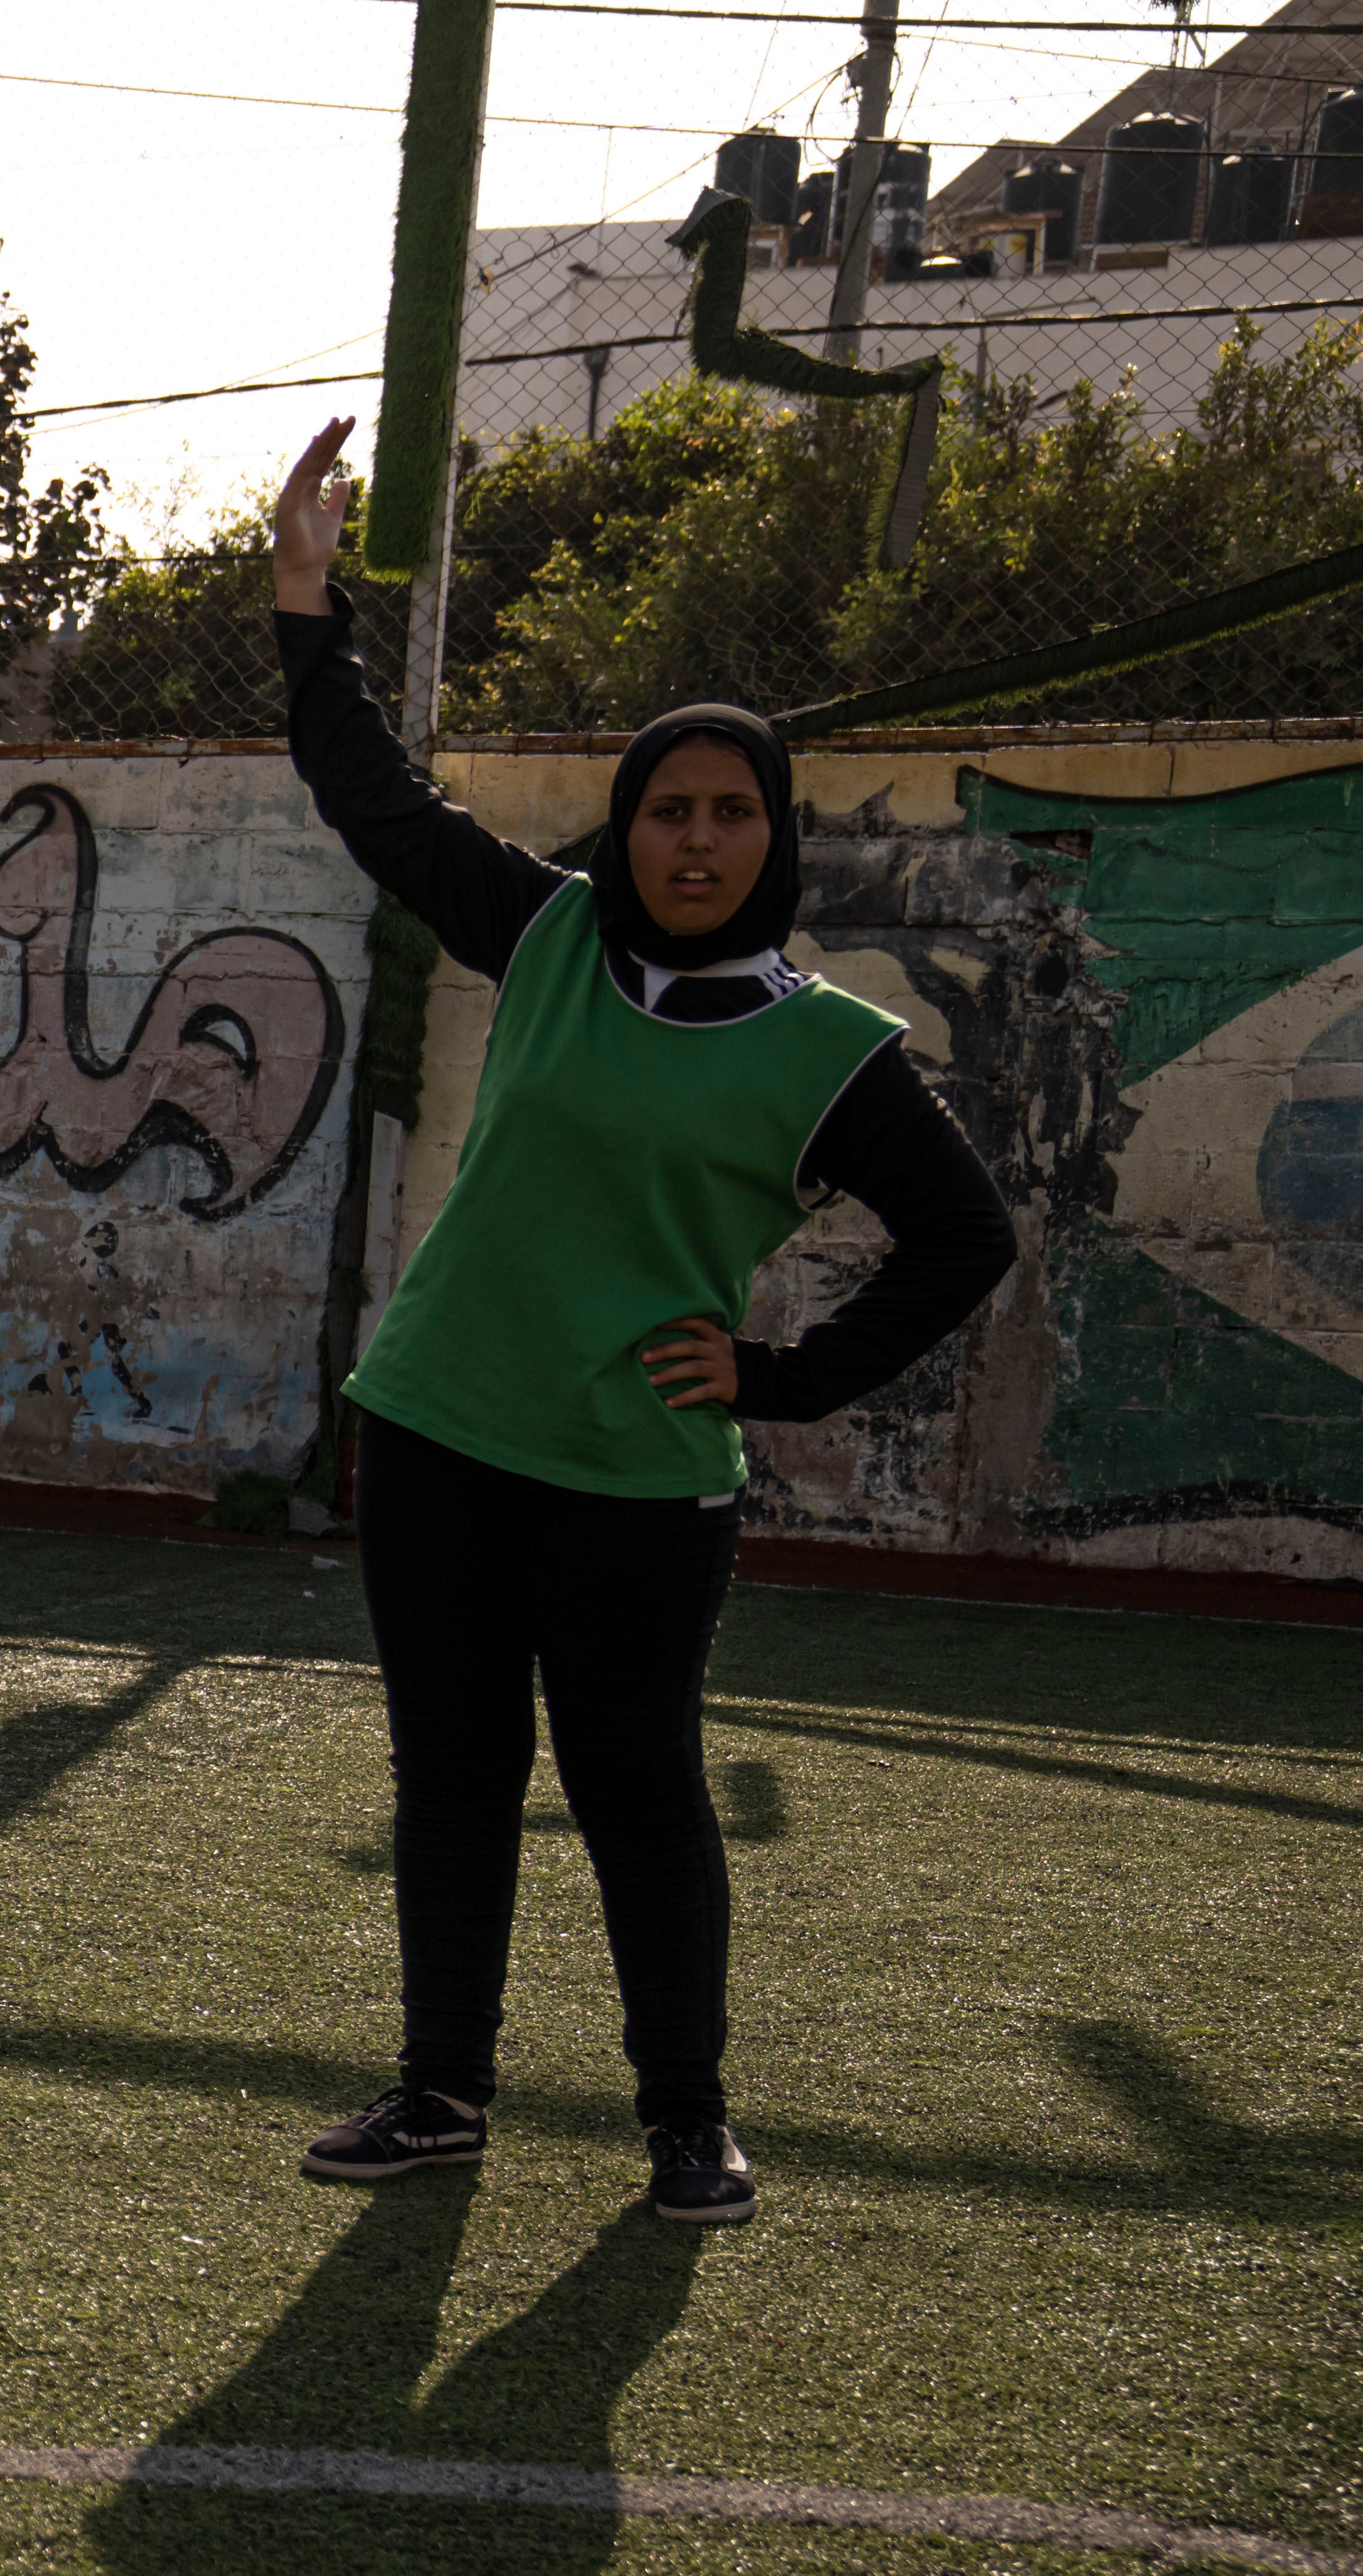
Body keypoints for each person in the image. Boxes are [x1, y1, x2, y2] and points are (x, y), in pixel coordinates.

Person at [263, 418, 1014, 2223]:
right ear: (630, 823)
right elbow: (377, 800)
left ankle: (686, 2119)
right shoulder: (549, 939)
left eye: (730, 811)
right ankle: (440, 2092)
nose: (695, 837)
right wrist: (309, 612)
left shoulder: (827, 1048)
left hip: (633, 1476)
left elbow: (963, 1237)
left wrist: (777, 1376)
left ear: (775, 836)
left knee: (638, 1796)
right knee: (452, 1779)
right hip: (439, 1428)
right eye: (669, 807)